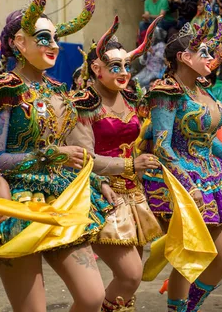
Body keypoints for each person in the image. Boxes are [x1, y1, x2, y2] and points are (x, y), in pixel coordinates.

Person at [0, 0, 112, 311]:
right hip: (17, 203)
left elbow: (71, 149)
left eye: (54, 38)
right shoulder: (2, 90)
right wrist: (53, 155)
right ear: (18, 43)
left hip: (63, 199)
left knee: (93, 296)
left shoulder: (58, 91)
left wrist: (94, 179)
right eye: (42, 38)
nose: (53, 45)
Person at [141, 16, 222, 312]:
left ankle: (188, 307)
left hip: (211, 177)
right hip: (182, 181)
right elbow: (163, 146)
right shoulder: (166, 91)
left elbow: (208, 139)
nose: (211, 58)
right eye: (203, 52)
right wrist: (188, 183)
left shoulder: (203, 90)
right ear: (183, 56)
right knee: (191, 254)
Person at [67, 17, 165, 311]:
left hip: (134, 195)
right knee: (130, 274)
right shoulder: (84, 104)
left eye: (126, 66)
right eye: (115, 67)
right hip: (101, 195)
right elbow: (85, 159)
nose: (124, 73)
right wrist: (130, 166)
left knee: (131, 282)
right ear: (96, 69)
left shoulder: (133, 99)